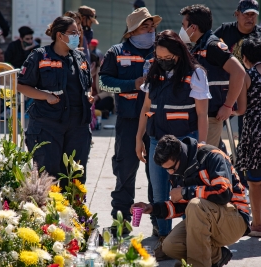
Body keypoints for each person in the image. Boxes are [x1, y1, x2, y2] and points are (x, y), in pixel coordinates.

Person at [135, 30, 210, 261]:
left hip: (185, 143)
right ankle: (164, 241)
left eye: (167, 58)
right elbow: (146, 107)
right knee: (159, 193)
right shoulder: (155, 72)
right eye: (159, 57)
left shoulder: (195, 73)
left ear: (178, 53)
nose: (163, 62)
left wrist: (202, 146)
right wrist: (139, 138)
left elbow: (202, 113)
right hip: (157, 141)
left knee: (187, 193)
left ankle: (189, 239)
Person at [132, 135, 250, 267]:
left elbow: (224, 193)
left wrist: (185, 192)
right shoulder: (177, 171)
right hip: (205, 217)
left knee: (195, 205)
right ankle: (217, 255)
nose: (170, 173)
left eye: (171, 168)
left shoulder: (212, 156)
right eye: (166, 169)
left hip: (234, 220)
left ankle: (198, 264)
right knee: (170, 246)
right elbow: (180, 207)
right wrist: (151, 208)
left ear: (181, 157)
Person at [99, 7, 162, 239]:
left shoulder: (162, 50)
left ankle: (159, 222)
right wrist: (131, 84)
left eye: (152, 26)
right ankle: (121, 221)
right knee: (125, 170)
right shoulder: (116, 52)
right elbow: (104, 83)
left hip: (157, 122)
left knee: (157, 173)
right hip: (128, 122)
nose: (151, 30)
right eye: (145, 26)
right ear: (132, 30)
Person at [17, 16, 92, 189]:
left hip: (77, 126)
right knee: (48, 176)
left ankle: (76, 214)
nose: (78, 36)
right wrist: (45, 95)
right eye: (73, 33)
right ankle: (49, 214)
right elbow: (21, 85)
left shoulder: (80, 58)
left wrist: (88, 95)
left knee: (75, 177)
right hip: (47, 125)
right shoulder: (39, 56)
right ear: (60, 35)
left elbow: (87, 86)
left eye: (78, 32)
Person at [214, 0, 261, 186]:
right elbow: (209, 48)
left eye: (253, 15)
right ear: (237, 14)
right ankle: (220, 167)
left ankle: (244, 175)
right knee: (214, 127)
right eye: (246, 14)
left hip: (251, 91)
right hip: (224, 88)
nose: (250, 18)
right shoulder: (224, 31)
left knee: (245, 132)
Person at [179, 5, 245, 148]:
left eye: (184, 25)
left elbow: (239, 72)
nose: (182, 30)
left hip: (211, 116)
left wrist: (228, 105)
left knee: (204, 161)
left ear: (194, 27)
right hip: (199, 116)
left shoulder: (213, 46)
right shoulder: (198, 46)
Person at [234, 38, 261, 238]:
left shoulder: (246, 76)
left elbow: (241, 109)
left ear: (245, 57)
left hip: (256, 134)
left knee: (255, 182)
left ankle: (257, 226)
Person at [90, 53, 113, 117]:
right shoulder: (83, 74)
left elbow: (108, 92)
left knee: (109, 100)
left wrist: (97, 97)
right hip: (88, 101)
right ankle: (99, 113)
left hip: (98, 101)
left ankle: (94, 111)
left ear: (93, 64)